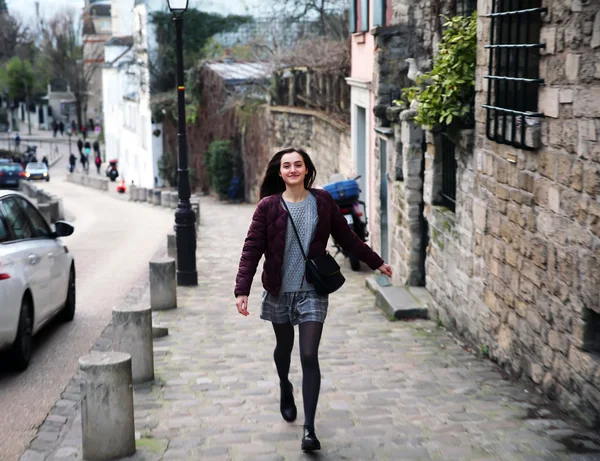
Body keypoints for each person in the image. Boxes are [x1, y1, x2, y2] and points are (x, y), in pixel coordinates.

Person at [234, 147, 392, 453]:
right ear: (279, 173)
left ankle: (309, 428)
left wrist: (376, 262)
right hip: (279, 290)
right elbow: (251, 248)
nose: (293, 169)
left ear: (307, 170)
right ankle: (284, 386)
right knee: (283, 349)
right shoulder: (268, 207)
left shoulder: (323, 201)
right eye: (287, 166)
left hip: (312, 292)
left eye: (298, 164)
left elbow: (347, 238)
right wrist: (243, 289)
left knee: (308, 355)